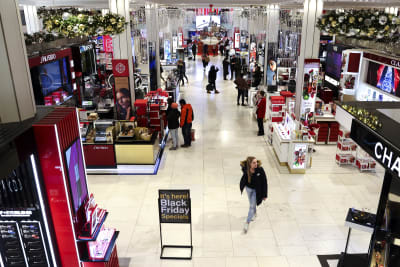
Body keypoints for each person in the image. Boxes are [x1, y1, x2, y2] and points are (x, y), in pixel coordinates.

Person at [239, 156, 268, 234]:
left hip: (256, 190)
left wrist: (265, 195)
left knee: (251, 206)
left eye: (256, 162)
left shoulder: (260, 170)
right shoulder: (246, 169)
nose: (256, 164)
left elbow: (265, 182)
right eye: (254, 163)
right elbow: (244, 175)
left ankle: (247, 223)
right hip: (248, 189)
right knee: (251, 203)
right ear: (249, 164)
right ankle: (254, 213)